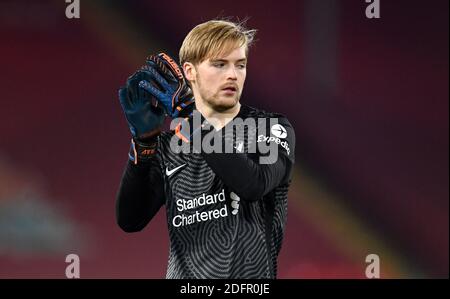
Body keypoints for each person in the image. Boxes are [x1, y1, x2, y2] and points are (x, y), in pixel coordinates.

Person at [116, 19, 295, 279]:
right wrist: (144, 143)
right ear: (190, 71)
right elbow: (130, 220)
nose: (233, 74)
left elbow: (253, 184)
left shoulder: (270, 127)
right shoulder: (169, 145)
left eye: (240, 65)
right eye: (220, 64)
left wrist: (190, 118)